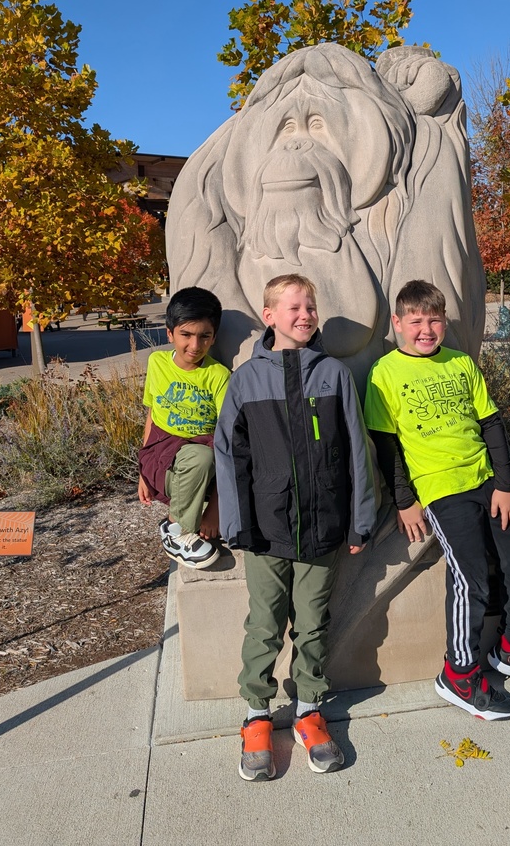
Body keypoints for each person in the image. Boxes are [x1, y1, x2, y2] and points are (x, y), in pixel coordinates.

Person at [364, 279, 510, 720]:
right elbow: (386, 446)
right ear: (398, 324)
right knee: (471, 579)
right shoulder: (385, 373)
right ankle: (458, 674)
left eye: (434, 319)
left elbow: (491, 424)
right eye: (415, 321)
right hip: (442, 491)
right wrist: (404, 501)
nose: (426, 329)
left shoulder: (460, 363)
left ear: (444, 323)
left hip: (488, 483)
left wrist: (506, 484)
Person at [215, 274, 377, 781]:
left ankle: (308, 708)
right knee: (264, 624)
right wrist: (236, 525)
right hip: (265, 530)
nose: (305, 314)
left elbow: (356, 450)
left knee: (312, 624)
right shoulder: (244, 379)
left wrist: (361, 520)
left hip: (324, 528)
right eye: (293, 307)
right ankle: (256, 715)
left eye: (310, 306)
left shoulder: (334, 374)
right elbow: (228, 455)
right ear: (269, 316)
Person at [138, 287, 230, 570]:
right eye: (186, 335)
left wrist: (215, 511)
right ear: (170, 334)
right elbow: (152, 415)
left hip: (200, 464)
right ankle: (177, 530)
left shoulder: (219, 375)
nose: (195, 345)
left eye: (204, 336)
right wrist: (142, 472)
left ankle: (183, 521)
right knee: (200, 458)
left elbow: (227, 443)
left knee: (206, 456)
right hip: (162, 457)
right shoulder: (157, 363)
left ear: (214, 337)